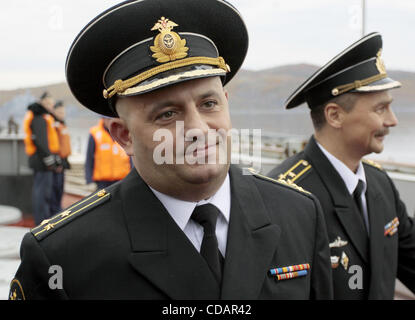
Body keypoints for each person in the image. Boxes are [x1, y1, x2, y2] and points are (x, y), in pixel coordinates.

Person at [9, 0, 332, 300]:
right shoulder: (64, 254)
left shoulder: (299, 213)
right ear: (124, 137)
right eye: (167, 114)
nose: (198, 129)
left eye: (209, 104)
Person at [268, 32, 415, 299]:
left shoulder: (379, 184)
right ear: (335, 115)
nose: (392, 121)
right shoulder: (284, 197)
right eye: (381, 109)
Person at [22, 91, 61, 225]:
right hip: (41, 160)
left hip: (40, 158)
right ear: (42, 103)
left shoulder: (40, 115)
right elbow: (41, 141)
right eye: (48, 103)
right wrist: (49, 159)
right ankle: (42, 223)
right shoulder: (39, 117)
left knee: (43, 191)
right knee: (43, 193)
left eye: (52, 104)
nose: (50, 106)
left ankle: (42, 220)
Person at [85, 117, 131, 190]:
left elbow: (131, 156)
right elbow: (89, 158)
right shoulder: (95, 133)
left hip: (122, 180)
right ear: (103, 119)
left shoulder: (124, 132)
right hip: (102, 182)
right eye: (108, 119)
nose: (111, 122)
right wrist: (89, 180)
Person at [50, 100, 72, 214]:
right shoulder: (54, 125)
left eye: (63, 111)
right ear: (54, 112)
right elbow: (53, 144)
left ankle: (58, 209)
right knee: (56, 188)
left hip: (63, 160)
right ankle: (55, 212)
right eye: (59, 111)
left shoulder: (63, 124)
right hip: (57, 161)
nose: (62, 113)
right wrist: (57, 162)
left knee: (60, 188)